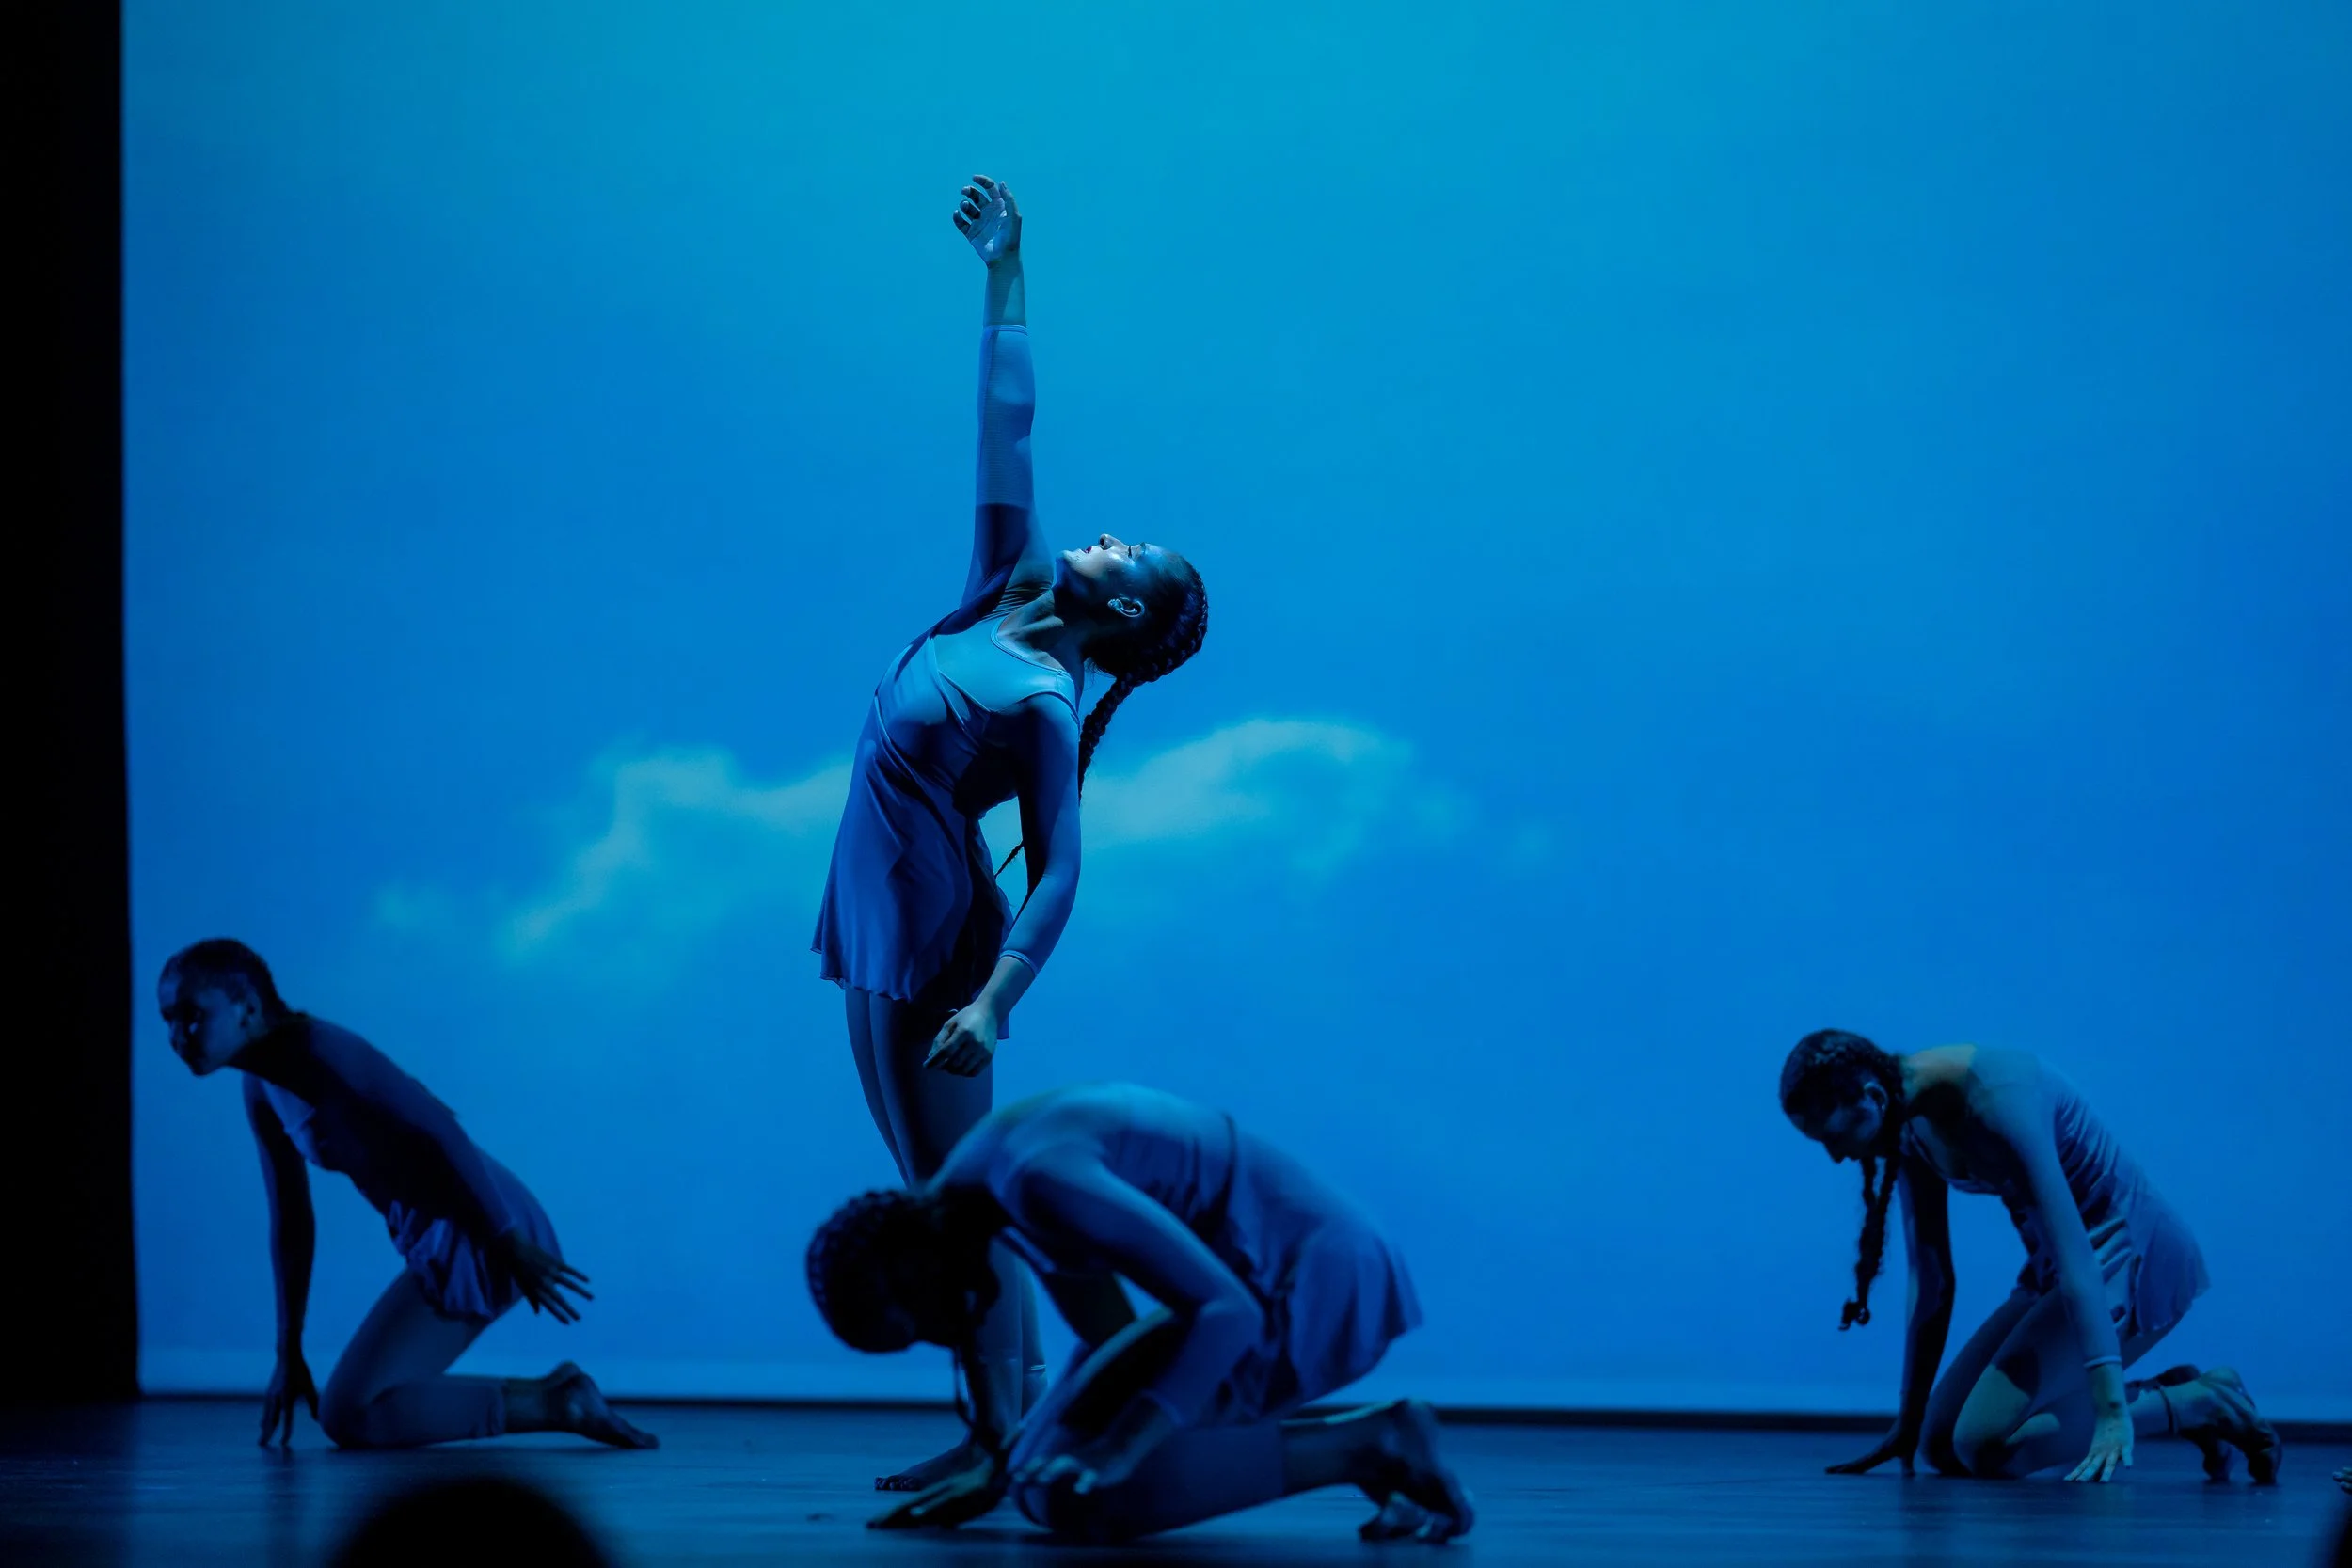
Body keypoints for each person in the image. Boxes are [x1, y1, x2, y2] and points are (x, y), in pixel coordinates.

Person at [811, 175, 1209, 1490]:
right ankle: (1003, 1423)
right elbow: (1006, 427)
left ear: (1126, 614)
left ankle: (1006, 1439)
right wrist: (1004, 272)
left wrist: (992, 1002)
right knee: (935, 1191)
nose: (1110, 534)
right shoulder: (1004, 584)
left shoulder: (1043, 697)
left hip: (937, 942)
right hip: (876, 916)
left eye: (1130, 553)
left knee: (957, 1206)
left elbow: (1062, 869)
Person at [805, 1083, 1472, 1543]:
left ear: (916, 1269)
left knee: (1084, 1496)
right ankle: (1375, 1447)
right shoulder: (981, 1185)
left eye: (920, 1323)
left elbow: (1228, 1312)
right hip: (1261, 1281)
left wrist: (1118, 1450)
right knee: (1038, 1478)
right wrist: (999, 1467)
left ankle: (1370, 1445)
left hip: (1316, 1282)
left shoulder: (1035, 1181)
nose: (941, 1336)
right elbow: (1109, 1336)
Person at [158, 939, 655, 1450]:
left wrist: (508, 1241)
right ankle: (558, 1398)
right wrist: (288, 1350)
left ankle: (559, 1404)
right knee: (349, 1412)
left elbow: (442, 1131)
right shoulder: (259, 1087)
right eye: (168, 1019)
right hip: (452, 1233)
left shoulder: (322, 1051)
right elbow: (291, 1220)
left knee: (350, 1415)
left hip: (482, 1225)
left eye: (191, 1015)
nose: (176, 1036)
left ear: (246, 1008)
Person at [1779, 1029, 2280, 1483]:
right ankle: (2180, 1392)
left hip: (2125, 1260)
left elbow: (2078, 1259)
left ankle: (2199, 1404)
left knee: (1984, 1445)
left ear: (1872, 1097)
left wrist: (2111, 1409)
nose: (1836, 1156)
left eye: (1833, 1137)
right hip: (2056, 1271)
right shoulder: (1906, 1117)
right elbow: (1931, 1278)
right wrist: (1908, 1418)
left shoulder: (1998, 1096)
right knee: (1938, 1445)